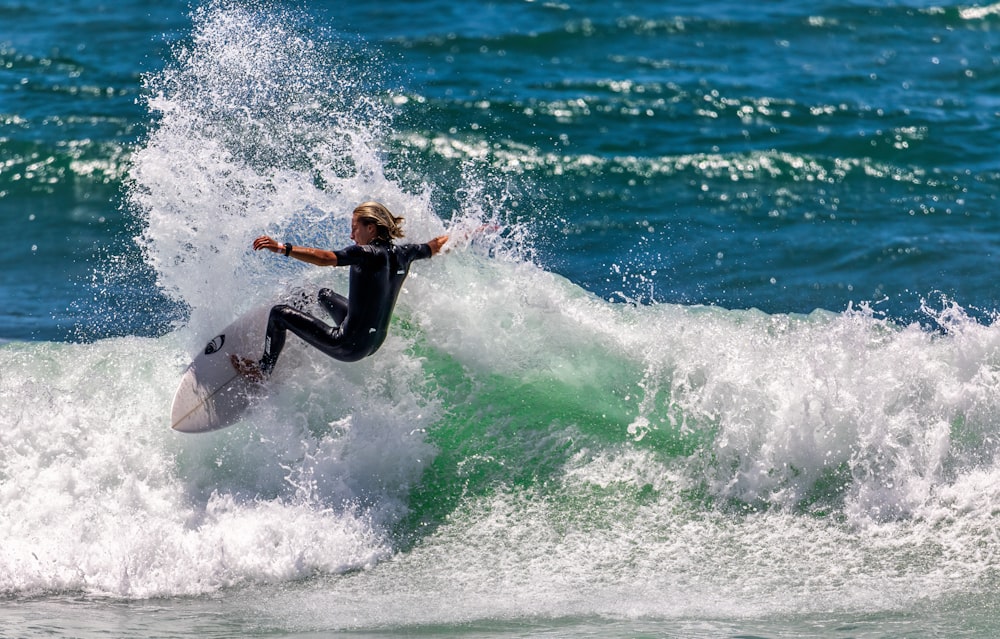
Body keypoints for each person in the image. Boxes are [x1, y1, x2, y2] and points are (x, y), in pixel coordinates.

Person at [231, 201, 448, 381]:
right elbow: (435, 245)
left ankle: (263, 370)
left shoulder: (366, 253)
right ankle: (303, 333)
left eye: (355, 228)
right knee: (321, 294)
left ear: (370, 228)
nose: (352, 235)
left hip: (347, 344)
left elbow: (325, 259)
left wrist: (281, 248)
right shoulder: (405, 252)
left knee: (279, 313)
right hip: (373, 343)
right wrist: (467, 233)